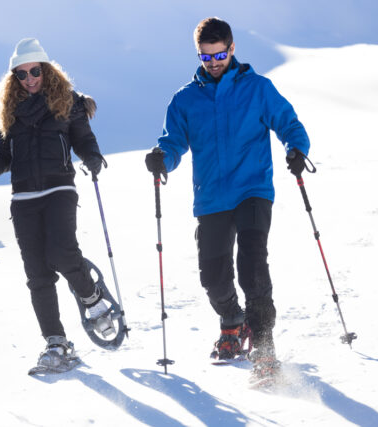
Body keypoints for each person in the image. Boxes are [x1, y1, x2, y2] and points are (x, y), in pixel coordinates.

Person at [145, 17, 310, 379]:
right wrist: (162, 158)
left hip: (253, 190)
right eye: (206, 57)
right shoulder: (186, 99)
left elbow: (288, 123)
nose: (214, 62)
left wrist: (296, 149)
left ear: (232, 49)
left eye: (219, 55)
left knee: (253, 267)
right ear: (198, 55)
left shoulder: (257, 88)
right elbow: (174, 141)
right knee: (213, 276)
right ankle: (232, 322)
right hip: (212, 197)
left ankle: (264, 347)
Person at [0, 38, 113, 370]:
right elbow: (3, 157)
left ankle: (91, 296)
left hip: (59, 189)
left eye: (35, 71)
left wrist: (92, 158)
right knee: (37, 272)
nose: (29, 78)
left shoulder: (69, 102)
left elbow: (84, 140)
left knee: (63, 253)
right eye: (21, 74)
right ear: (14, 79)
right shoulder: (8, 112)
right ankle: (57, 343)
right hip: (23, 197)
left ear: (46, 70)